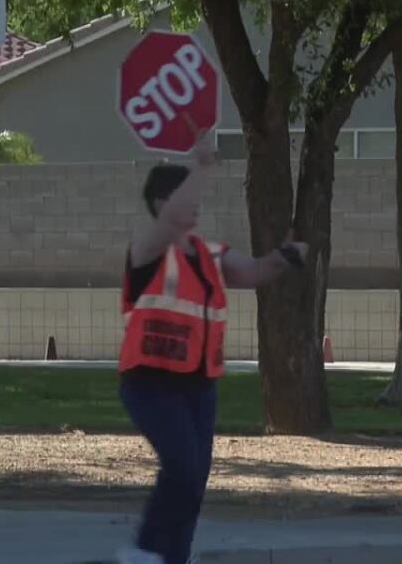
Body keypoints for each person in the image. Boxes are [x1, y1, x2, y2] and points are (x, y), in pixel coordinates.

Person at [115, 131, 308, 564]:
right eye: (184, 194)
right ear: (162, 204)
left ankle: (174, 557)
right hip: (150, 383)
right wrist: (201, 166)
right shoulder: (146, 250)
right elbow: (171, 222)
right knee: (182, 467)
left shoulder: (211, 254)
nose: (196, 203)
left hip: (199, 387)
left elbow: (255, 270)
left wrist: (286, 256)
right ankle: (144, 550)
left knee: (194, 481)